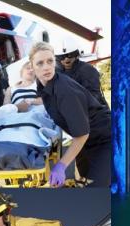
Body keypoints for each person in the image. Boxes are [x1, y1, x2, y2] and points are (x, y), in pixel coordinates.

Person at [31, 42, 113, 187]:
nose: (46, 67)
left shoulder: (64, 89)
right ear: (32, 67)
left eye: (50, 61)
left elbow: (82, 134)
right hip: (86, 142)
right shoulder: (43, 85)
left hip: (104, 139)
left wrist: (62, 165)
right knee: (82, 180)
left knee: (98, 188)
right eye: (40, 63)